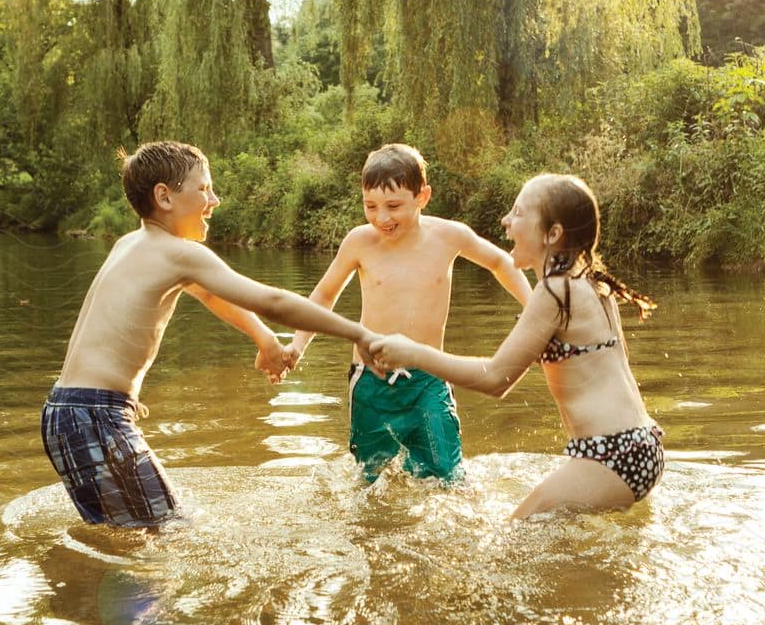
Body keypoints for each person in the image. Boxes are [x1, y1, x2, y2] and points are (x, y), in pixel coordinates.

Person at [43, 141, 384, 528]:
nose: (215, 200)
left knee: (124, 536)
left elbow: (207, 292)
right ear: (164, 196)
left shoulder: (131, 244)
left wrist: (263, 338)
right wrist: (358, 333)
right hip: (95, 416)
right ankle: (133, 590)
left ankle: (82, 587)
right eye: (204, 188)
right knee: (168, 534)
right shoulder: (179, 253)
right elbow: (271, 299)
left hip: (65, 412)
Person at [368, 173, 662, 518]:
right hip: (641, 446)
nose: (506, 221)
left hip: (612, 457)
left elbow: (496, 379)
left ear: (552, 234)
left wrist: (413, 353)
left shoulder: (555, 291)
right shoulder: (592, 285)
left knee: (510, 540)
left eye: (519, 213)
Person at [288, 144, 532, 482]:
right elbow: (324, 295)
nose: (381, 218)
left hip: (428, 379)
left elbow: (500, 262)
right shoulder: (359, 242)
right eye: (370, 206)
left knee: (447, 475)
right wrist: (297, 346)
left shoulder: (449, 236)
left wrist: (534, 310)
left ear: (423, 196)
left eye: (393, 206)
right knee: (370, 476)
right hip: (371, 382)